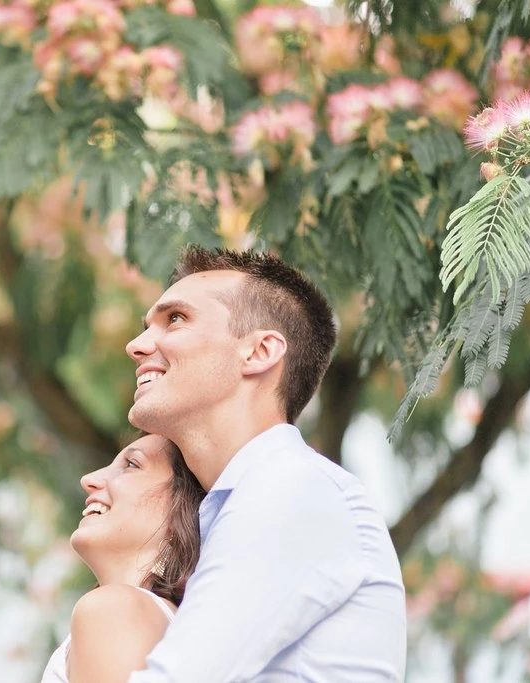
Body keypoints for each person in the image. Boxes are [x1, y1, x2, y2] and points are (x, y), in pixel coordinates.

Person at [124, 246, 407, 682]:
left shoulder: (292, 491)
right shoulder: (245, 503)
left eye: (175, 319)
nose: (137, 346)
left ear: (259, 352)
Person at [40, 433, 206, 683]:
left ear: (182, 508)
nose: (89, 479)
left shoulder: (111, 610)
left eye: (131, 464)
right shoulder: (167, 624)